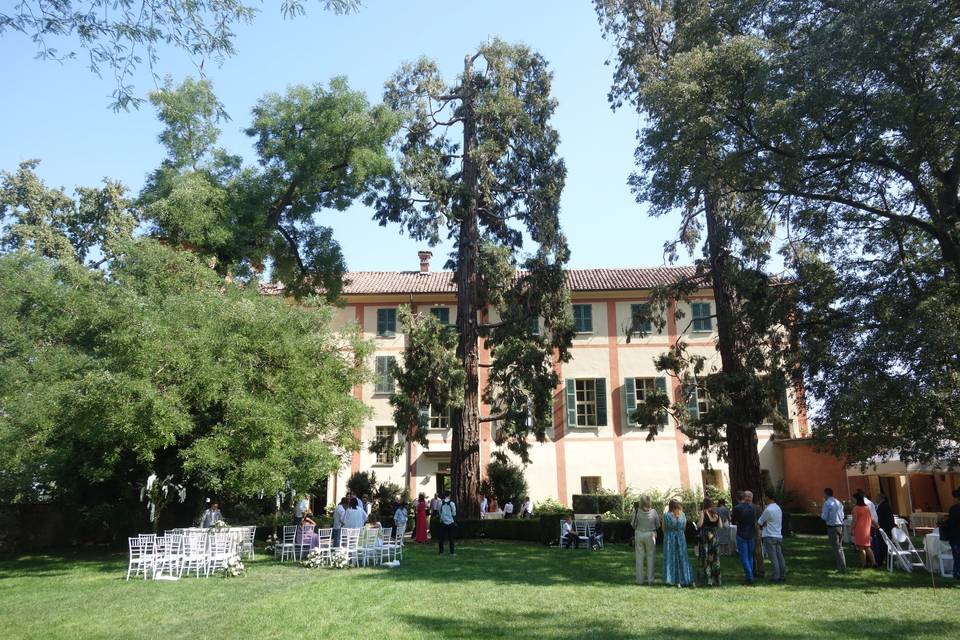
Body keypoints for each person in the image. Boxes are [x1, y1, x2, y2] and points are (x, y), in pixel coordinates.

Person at [662, 499, 693, 587]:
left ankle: (673, 579)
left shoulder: (666, 515)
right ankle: (685, 578)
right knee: (682, 558)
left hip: (670, 538)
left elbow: (663, 529)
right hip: (681, 537)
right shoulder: (683, 515)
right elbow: (684, 528)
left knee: (671, 558)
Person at [631, 497, 660, 585]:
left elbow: (632, 524)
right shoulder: (654, 512)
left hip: (639, 534)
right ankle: (650, 580)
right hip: (650, 535)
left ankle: (639, 580)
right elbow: (658, 525)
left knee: (639, 557)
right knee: (651, 557)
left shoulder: (636, 511)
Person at [731, 490, 757, 585]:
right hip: (751, 534)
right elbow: (753, 520)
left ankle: (749, 576)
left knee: (744, 557)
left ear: (737, 499)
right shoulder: (751, 508)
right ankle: (750, 575)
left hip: (741, 533)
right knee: (750, 556)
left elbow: (733, 521)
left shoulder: (737, 508)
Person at [758, 495, 786, 583]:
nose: (764, 499)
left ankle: (776, 575)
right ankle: (782, 574)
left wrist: (764, 523)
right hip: (778, 534)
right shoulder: (778, 508)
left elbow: (760, 521)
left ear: (769, 498)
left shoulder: (768, 509)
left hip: (769, 535)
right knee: (779, 556)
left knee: (773, 557)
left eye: (765, 497)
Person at [821, 487, 847, 573]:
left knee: (836, 548)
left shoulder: (827, 503)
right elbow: (843, 516)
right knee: (840, 547)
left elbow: (825, 517)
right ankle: (843, 566)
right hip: (840, 526)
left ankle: (841, 567)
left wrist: (821, 515)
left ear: (826, 494)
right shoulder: (839, 502)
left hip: (832, 527)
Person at [697, 498, 721, 586]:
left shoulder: (703, 512)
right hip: (714, 537)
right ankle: (716, 580)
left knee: (705, 558)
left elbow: (699, 524)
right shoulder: (716, 514)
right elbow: (720, 525)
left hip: (705, 538)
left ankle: (707, 580)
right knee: (715, 559)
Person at [852, 493, 877, 568]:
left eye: (853, 498)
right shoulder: (866, 507)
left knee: (861, 548)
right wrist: (876, 525)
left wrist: (851, 529)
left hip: (859, 529)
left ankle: (864, 564)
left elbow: (855, 520)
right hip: (866, 529)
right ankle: (874, 562)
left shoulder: (855, 508)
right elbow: (871, 518)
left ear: (856, 499)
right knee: (867, 547)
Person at [875, 493, 895, 567]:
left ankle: (884, 560)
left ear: (881, 498)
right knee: (882, 545)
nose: (875, 499)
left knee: (884, 545)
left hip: (885, 528)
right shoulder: (881, 505)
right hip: (883, 527)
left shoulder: (884, 506)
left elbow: (886, 518)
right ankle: (883, 560)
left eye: (877, 497)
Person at [945, 487, 960, 580]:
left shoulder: (954, 509)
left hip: (955, 535)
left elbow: (951, 523)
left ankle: (957, 572)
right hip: (956, 535)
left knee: (957, 555)